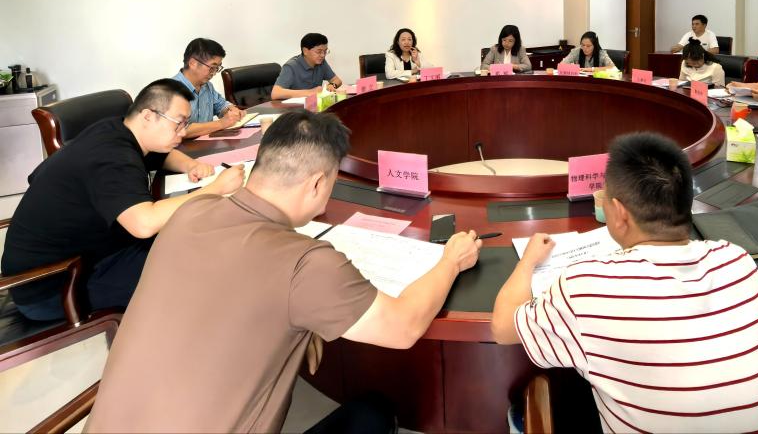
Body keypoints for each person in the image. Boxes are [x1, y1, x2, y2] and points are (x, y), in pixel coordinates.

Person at [86, 110, 483, 433]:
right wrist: (451, 260)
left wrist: (303, 322)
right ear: (317, 184)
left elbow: (231, 284)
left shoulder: (191, 212)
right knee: (372, 415)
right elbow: (404, 327)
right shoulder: (307, 263)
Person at [491, 132, 758, 433]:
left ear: (619, 213)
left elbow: (502, 328)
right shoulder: (738, 261)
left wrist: (528, 261)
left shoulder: (588, 287)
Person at [0, 80, 245, 321]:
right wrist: (215, 189)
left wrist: (191, 165)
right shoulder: (112, 157)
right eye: (178, 124)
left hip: (94, 251)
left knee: (190, 239)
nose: (183, 132)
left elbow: (162, 155)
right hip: (57, 283)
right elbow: (143, 224)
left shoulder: (118, 129)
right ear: (148, 116)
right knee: (199, 272)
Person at [172, 37, 246, 138]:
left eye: (217, 68)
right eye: (212, 68)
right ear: (193, 63)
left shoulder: (207, 86)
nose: (214, 73)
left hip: (207, 143)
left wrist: (232, 110)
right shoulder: (171, 91)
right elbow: (180, 130)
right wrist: (221, 123)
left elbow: (221, 105)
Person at [271, 32, 344, 99]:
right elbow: (275, 93)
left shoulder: (321, 62)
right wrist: (311, 92)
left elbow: (337, 80)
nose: (323, 55)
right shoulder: (291, 66)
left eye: (325, 51)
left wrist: (332, 85)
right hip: (294, 107)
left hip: (313, 105)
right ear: (305, 51)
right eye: (319, 52)